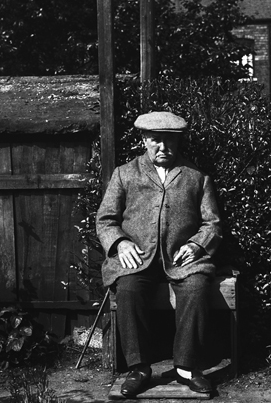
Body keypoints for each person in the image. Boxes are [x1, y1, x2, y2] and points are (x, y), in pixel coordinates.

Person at [96, 111, 222, 397]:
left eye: (169, 141)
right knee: (128, 289)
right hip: (138, 259)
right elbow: (105, 220)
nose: (163, 147)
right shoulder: (125, 173)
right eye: (156, 140)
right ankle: (139, 368)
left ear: (179, 142)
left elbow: (212, 223)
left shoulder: (197, 177)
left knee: (197, 287)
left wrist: (196, 245)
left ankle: (186, 367)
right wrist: (120, 244)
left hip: (181, 260)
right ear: (144, 140)